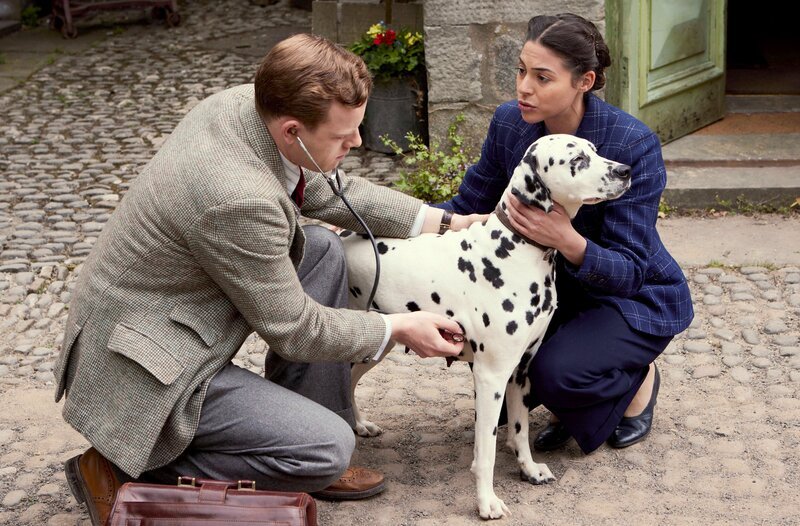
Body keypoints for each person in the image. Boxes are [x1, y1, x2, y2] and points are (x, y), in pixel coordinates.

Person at [54, 33, 487, 526]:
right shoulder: (240, 199)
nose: (359, 143)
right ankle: (126, 464)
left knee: (321, 249)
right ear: (292, 131)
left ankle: (311, 436)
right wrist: (397, 327)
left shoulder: (252, 103)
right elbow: (295, 328)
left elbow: (329, 189)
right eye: (344, 137)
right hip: (143, 364)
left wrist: (446, 222)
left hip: (165, 314)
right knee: (326, 449)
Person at [436, 13, 693, 454]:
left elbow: (631, 269)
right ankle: (564, 385)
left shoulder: (631, 145)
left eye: (542, 77)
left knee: (554, 376)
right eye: (520, 71)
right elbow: (466, 207)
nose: (523, 88)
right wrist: (388, 224)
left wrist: (566, 239)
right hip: (548, 288)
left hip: (629, 295)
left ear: (584, 81)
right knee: (487, 337)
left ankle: (635, 380)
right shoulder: (510, 124)